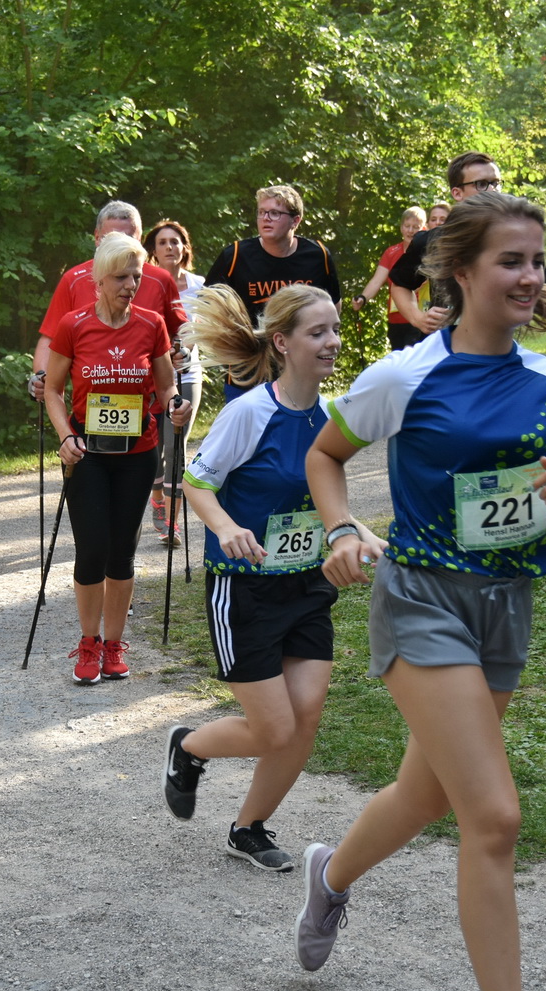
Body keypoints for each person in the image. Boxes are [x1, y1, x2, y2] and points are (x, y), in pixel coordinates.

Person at [297, 191, 546, 991]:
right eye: (512, 261)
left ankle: (330, 872)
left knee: (424, 793)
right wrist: (346, 528)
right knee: (494, 815)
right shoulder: (407, 373)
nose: (531, 278)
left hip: (505, 609)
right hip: (421, 597)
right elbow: (324, 456)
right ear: (462, 272)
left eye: (538, 262)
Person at [162, 284, 382, 871]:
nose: (332, 341)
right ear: (282, 343)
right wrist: (228, 527)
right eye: (317, 332)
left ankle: (249, 827)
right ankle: (188, 747)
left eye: (334, 329)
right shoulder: (248, 412)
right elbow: (197, 482)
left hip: (307, 585)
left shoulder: (332, 417)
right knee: (275, 728)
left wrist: (360, 531)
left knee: (304, 718)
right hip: (246, 588)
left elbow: (323, 497)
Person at [41, 232, 192, 683]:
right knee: (92, 549)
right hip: (86, 451)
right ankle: (87, 644)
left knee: (122, 553)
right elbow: (52, 390)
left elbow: (166, 385)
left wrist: (175, 404)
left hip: (138, 452)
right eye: (122, 277)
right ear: (100, 280)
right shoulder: (74, 325)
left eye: (137, 276)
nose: (131, 284)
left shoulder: (151, 324)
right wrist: (65, 436)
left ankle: (113, 644)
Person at [28, 201, 187, 402]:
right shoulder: (73, 279)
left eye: (127, 238)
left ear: (139, 239)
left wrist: (182, 352)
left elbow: (180, 332)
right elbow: (50, 338)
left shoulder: (161, 280)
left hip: (151, 402)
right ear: (96, 238)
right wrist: (42, 377)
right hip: (89, 403)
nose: (118, 244)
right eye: (110, 238)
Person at [204, 184, 341, 402]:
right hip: (247, 369)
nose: (265, 218)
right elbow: (208, 305)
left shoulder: (318, 256)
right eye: (261, 212)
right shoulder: (236, 255)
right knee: (248, 433)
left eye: (275, 213)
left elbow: (333, 307)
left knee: (295, 431)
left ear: (295, 221)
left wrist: (322, 344)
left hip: (297, 366)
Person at [387, 153, 506, 340]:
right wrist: (418, 319)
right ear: (457, 193)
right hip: (446, 350)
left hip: (499, 347)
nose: (492, 190)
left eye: (496, 183)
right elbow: (399, 285)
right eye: (482, 184)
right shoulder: (433, 240)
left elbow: (540, 288)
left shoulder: (514, 237)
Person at [146, 219, 207, 544]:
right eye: (163, 242)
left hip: (187, 373)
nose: (170, 247)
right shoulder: (145, 280)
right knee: (154, 449)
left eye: (175, 241)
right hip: (152, 375)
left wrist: (185, 349)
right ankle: (157, 497)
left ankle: (172, 524)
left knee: (176, 445)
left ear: (185, 247)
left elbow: (202, 326)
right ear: (153, 251)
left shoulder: (199, 283)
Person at [349, 206, 426, 351]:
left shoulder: (429, 252)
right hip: (396, 319)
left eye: (415, 227)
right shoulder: (391, 252)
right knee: (398, 361)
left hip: (419, 318)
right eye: (407, 226)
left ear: (423, 228)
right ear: (401, 228)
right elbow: (377, 280)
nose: (410, 231)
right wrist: (363, 298)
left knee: (411, 362)